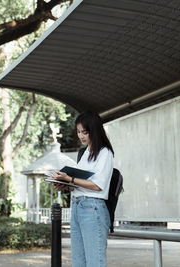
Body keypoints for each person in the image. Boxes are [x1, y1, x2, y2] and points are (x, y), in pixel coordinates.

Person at [52, 111, 114, 267]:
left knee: (95, 262)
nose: (81, 136)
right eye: (78, 132)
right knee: (78, 262)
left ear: (94, 131)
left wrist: (70, 179)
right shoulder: (84, 153)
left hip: (92, 209)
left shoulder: (105, 153)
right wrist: (66, 185)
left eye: (84, 132)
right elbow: (82, 183)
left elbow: (97, 185)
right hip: (78, 207)